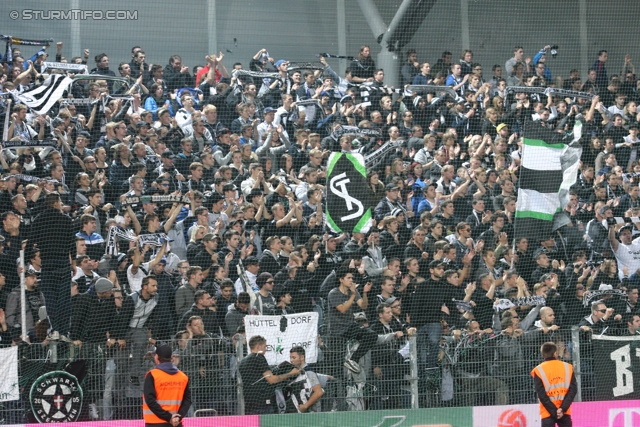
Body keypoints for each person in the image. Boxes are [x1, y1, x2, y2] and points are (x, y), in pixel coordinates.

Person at [238, 335, 301, 414]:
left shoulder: (243, 362)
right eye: (265, 347)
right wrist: (291, 374)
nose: (265, 350)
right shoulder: (259, 357)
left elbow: (257, 378)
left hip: (249, 403)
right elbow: (271, 379)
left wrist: (277, 368)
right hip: (262, 403)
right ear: (258, 346)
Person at [142, 344, 192, 427]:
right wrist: (178, 417)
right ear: (171, 358)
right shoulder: (183, 377)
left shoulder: (152, 375)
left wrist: (169, 418)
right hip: (176, 423)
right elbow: (187, 400)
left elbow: (150, 400)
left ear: (157, 357)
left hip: (155, 422)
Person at [531, 342, 577, 427]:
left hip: (547, 412)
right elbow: (573, 390)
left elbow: (541, 395)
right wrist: (562, 409)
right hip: (564, 411)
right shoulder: (568, 367)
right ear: (555, 353)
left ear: (543, 355)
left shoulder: (538, 370)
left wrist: (554, 411)